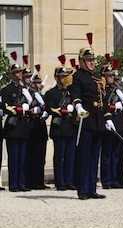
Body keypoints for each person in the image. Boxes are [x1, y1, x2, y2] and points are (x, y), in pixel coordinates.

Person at [69, 33, 110, 199]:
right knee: (84, 157)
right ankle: (83, 189)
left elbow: (102, 99)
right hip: (86, 121)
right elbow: (75, 93)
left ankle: (91, 188)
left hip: (98, 121)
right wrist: (78, 106)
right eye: (88, 60)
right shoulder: (78, 76)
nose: (92, 62)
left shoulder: (96, 77)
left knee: (94, 157)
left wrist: (107, 118)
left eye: (93, 59)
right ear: (81, 61)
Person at [44, 55, 77, 191]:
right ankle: (60, 182)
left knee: (70, 156)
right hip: (59, 127)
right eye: (62, 76)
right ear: (57, 78)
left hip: (70, 127)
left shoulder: (71, 92)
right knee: (59, 156)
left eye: (65, 76)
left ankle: (69, 181)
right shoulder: (51, 93)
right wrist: (60, 110)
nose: (64, 78)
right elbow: (48, 107)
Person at [0, 51, 32, 192]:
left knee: (23, 157)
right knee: (14, 157)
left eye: (20, 72)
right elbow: (6, 107)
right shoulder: (6, 90)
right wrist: (18, 109)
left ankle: (21, 183)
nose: (19, 74)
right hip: (12, 127)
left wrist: (27, 103)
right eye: (16, 72)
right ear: (12, 74)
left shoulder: (24, 89)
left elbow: (30, 105)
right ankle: (13, 184)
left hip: (23, 126)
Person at [100, 59, 123, 189]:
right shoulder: (103, 90)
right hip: (109, 124)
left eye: (113, 75)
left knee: (118, 154)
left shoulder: (118, 90)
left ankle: (117, 179)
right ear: (103, 76)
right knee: (108, 154)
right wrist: (115, 107)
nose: (112, 77)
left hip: (120, 124)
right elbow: (104, 106)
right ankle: (107, 180)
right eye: (109, 75)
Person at [26, 64, 50, 189]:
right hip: (32, 128)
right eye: (35, 83)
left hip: (41, 128)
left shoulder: (42, 95)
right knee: (32, 157)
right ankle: (31, 182)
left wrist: (45, 112)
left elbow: (47, 107)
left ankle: (40, 182)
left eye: (39, 82)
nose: (38, 85)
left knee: (41, 158)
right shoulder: (28, 94)